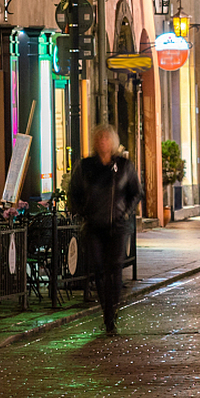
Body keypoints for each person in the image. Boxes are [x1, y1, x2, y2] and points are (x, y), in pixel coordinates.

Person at [66, 124, 144, 335]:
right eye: (99, 138)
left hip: (117, 226)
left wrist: (126, 212)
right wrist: (82, 211)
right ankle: (106, 311)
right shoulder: (86, 166)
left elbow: (135, 192)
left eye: (106, 138)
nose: (102, 142)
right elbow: (74, 192)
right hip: (93, 226)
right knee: (99, 269)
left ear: (113, 142)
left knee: (115, 268)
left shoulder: (124, 166)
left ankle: (112, 312)